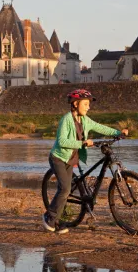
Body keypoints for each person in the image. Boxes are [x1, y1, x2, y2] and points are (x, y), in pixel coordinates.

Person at [43, 89, 127, 233]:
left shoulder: (85, 120)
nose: (89, 107)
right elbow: (62, 141)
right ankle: (49, 217)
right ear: (75, 104)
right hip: (58, 158)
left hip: (70, 159)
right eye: (86, 104)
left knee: (66, 190)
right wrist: (82, 144)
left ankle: (57, 220)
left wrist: (118, 132)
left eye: (89, 104)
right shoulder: (66, 119)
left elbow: (100, 127)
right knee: (65, 189)